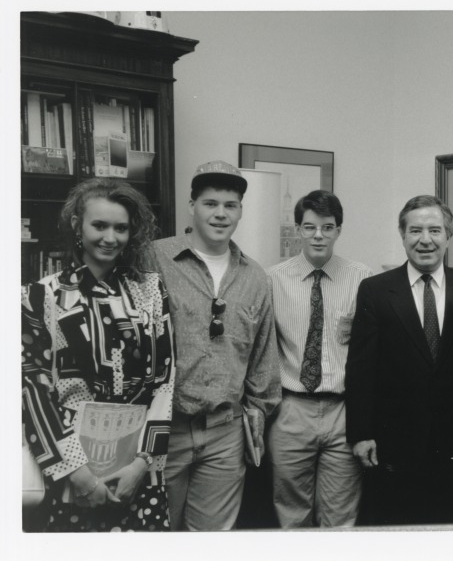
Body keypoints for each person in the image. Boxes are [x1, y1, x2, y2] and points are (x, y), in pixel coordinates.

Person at [21, 178, 175, 531]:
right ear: (78, 225)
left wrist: (141, 464)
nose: (111, 237)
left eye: (121, 228)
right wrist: (79, 474)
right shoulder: (40, 297)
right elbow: (33, 391)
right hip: (71, 470)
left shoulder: (151, 291)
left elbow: (165, 381)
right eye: (99, 225)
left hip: (139, 470)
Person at [147, 160, 281, 531]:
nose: (220, 214)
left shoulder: (254, 275)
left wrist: (256, 415)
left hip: (225, 432)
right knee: (158, 534)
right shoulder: (154, 258)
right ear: (192, 205)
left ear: (240, 211)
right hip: (164, 428)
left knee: (212, 540)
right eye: (210, 203)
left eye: (230, 205)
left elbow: (263, 356)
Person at [346, 195, 453, 525]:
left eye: (435, 230)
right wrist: (361, 433)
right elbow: (361, 368)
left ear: (448, 235)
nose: (425, 240)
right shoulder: (375, 291)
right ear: (402, 235)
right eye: (416, 231)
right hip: (394, 444)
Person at [265, 190, 372, 527]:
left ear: (339, 230)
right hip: (291, 411)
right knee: (291, 514)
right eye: (309, 227)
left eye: (327, 227)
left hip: (343, 411)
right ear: (298, 229)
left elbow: (370, 349)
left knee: (340, 516)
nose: (318, 236)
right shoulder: (272, 279)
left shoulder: (363, 279)